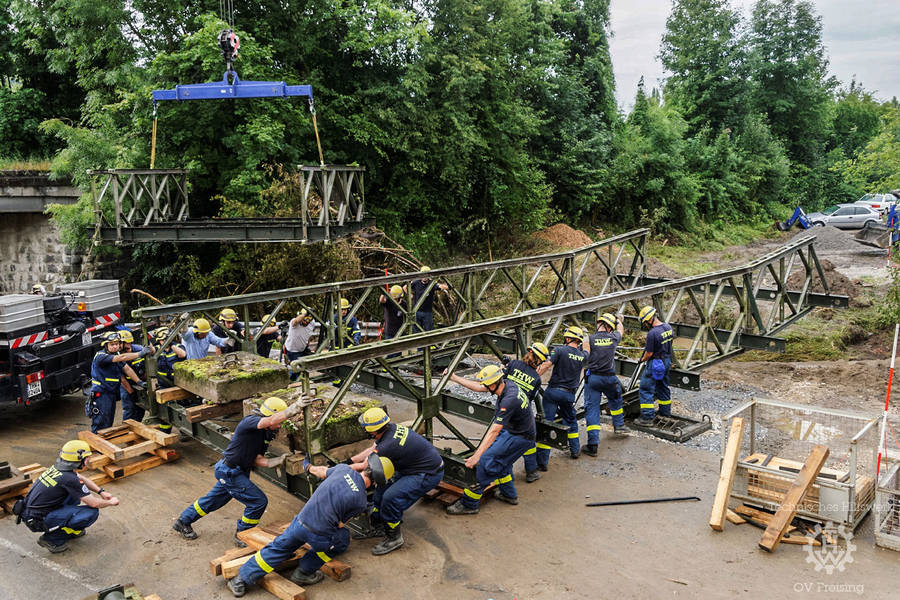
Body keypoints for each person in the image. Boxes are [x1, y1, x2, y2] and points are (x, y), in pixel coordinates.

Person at [226, 455, 394, 597]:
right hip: (318, 535)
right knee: (342, 538)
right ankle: (304, 572)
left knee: (278, 548)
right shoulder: (360, 501)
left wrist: (308, 466)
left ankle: (240, 580)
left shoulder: (344, 469)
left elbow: (320, 472)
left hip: (299, 523)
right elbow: (340, 524)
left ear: (367, 467)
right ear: (376, 483)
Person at [173, 397, 303, 547]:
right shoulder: (251, 422)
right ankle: (243, 534)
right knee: (258, 501)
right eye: (279, 421)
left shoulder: (264, 434)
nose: (280, 425)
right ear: (270, 415)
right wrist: (294, 408)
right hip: (230, 471)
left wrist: (273, 462)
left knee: (213, 500)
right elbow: (269, 421)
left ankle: (183, 521)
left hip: (235, 471)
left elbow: (256, 458)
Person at [348, 407, 444, 555]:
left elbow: (364, 465)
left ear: (373, 430)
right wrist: (350, 460)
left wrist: (342, 468)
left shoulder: (388, 445)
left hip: (427, 473)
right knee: (380, 491)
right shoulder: (389, 429)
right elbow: (373, 449)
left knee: (390, 498)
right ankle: (380, 526)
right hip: (411, 468)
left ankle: (394, 537)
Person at [445, 364, 535, 514]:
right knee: (502, 462)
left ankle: (469, 504)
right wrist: (453, 377)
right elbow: (478, 387)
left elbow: (494, 431)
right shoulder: (506, 384)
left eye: (487, 384)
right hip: (516, 431)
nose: (484, 387)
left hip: (519, 437)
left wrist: (476, 456)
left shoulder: (509, 399)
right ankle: (509, 495)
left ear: (494, 383)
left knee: (486, 464)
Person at [18, 440, 120, 553]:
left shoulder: (59, 469)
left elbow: (80, 478)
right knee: (90, 513)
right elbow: (94, 503)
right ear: (79, 459)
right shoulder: (68, 478)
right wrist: (111, 502)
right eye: (87, 458)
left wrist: (101, 491)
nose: (88, 460)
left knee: (75, 495)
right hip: (37, 520)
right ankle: (51, 539)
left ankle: (67, 527)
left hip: (32, 513)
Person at [536, 325, 587, 461]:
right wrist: (586, 337)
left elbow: (546, 365)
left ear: (568, 338)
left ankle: (542, 461)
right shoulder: (582, 356)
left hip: (553, 392)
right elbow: (587, 349)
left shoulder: (559, 350)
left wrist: (534, 376)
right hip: (568, 395)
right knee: (571, 421)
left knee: (547, 423)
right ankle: (575, 450)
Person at [583, 313, 627, 454]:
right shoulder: (613, 338)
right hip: (609, 378)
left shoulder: (591, 339)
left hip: (594, 379)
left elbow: (582, 355)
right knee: (615, 400)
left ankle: (593, 445)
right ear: (609, 327)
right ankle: (619, 425)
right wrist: (619, 320)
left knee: (592, 409)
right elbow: (621, 330)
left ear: (600, 324)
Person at [505, 342, 548, 483]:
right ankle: (531, 472)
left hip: (505, 409)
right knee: (528, 440)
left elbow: (502, 382)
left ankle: (507, 480)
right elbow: (530, 398)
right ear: (539, 361)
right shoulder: (536, 379)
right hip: (523, 413)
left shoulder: (513, 364)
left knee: (505, 443)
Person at [88, 331, 147, 433]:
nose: (115, 347)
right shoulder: (101, 356)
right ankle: (97, 446)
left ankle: (104, 445)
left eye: (116, 344)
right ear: (105, 345)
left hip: (110, 393)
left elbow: (127, 369)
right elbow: (122, 357)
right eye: (112, 344)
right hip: (101, 394)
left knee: (108, 421)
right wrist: (140, 354)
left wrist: (139, 382)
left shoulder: (116, 354)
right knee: (101, 422)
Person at [635, 306, 674, 425]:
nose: (645, 325)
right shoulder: (668, 327)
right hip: (666, 360)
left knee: (646, 389)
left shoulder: (652, 333)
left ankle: (647, 417)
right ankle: (665, 413)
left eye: (645, 322)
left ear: (649, 320)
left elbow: (649, 353)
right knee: (663, 386)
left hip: (656, 363)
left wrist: (641, 360)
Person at [117, 329, 153, 423]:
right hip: (127, 384)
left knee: (141, 407)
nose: (129, 344)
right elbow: (122, 379)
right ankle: (127, 429)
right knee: (129, 408)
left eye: (130, 342)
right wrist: (131, 392)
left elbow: (148, 366)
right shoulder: (117, 356)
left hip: (141, 382)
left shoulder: (139, 349)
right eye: (126, 342)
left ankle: (137, 426)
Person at [407, 266, 448, 332]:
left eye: (426, 275)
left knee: (429, 332)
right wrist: (410, 295)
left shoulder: (432, 283)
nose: (424, 277)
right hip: (416, 311)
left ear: (429, 275)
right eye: (423, 274)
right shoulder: (416, 282)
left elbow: (442, 287)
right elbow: (405, 287)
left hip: (427, 312)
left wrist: (447, 284)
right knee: (416, 332)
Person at [284, 309, 317, 375]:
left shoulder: (312, 323)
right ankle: (292, 381)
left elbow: (309, 334)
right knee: (296, 369)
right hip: (293, 351)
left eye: (308, 321)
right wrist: (306, 313)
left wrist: (308, 342)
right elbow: (295, 321)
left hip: (303, 349)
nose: (306, 322)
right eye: (304, 320)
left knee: (309, 364)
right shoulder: (294, 321)